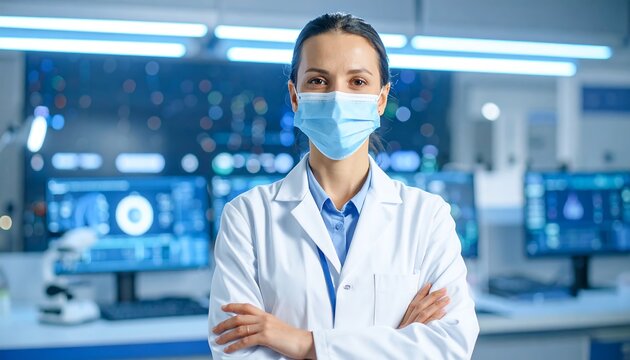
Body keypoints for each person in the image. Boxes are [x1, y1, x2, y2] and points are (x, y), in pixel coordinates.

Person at [209, 12, 479, 359]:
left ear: (381, 99)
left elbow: (449, 347)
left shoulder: (427, 217)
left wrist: (301, 343)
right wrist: (395, 341)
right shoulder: (247, 217)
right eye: (319, 81)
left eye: (358, 82)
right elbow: (235, 352)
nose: (338, 97)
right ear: (295, 97)